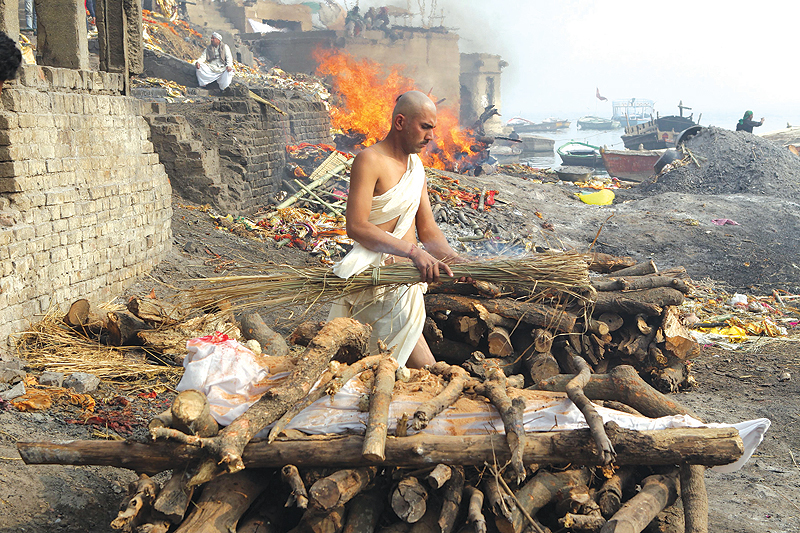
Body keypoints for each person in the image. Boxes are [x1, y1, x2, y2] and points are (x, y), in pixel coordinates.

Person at [328, 91, 466, 369]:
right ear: (400, 122)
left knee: (400, 370)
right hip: (378, 280)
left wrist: (457, 261)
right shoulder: (369, 160)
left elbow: (428, 230)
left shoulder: (417, 167)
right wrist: (412, 252)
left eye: (433, 129)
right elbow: (356, 226)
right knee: (424, 368)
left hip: (407, 281)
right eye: (425, 127)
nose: (430, 137)